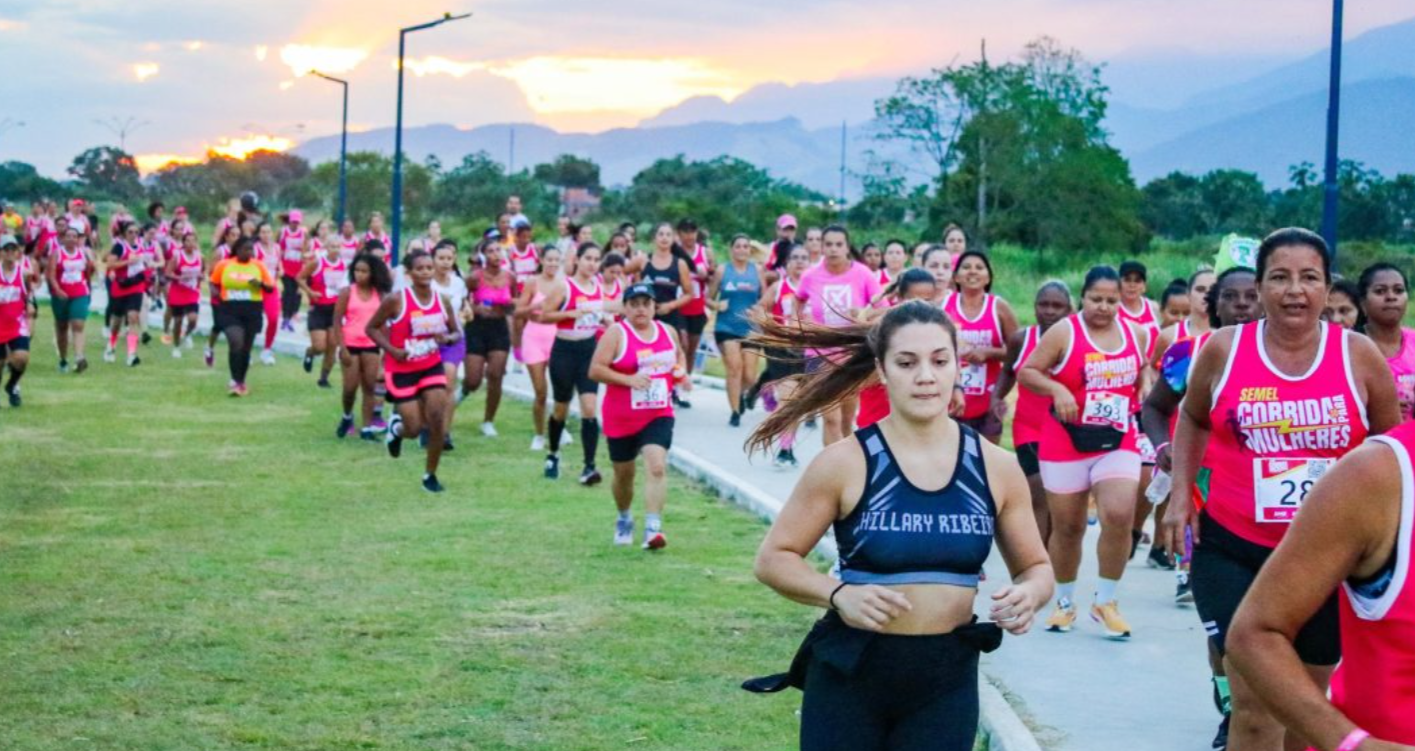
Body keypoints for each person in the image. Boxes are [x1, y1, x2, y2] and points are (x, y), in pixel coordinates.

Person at [743, 300, 1053, 751]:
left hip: (945, 682)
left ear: (957, 365)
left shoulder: (996, 467)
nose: (925, 376)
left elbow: (1036, 568)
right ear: (882, 371)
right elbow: (773, 559)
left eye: (939, 361)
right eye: (907, 363)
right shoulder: (844, 463)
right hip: (852, 675)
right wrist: (838, 594)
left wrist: (1030, 595)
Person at [1164, 228, 1400, 751]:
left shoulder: (1358, 356)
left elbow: (1395, 452)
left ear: (1328, 288)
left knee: (1304, 712)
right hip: (1233, 545)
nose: (1295, 291)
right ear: (1261, 286)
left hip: (1327, 559)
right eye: (1280, 278)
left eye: (1309, 278)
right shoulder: (1224, 350)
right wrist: (1181, 495)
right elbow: (1193, 418)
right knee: (1253, 708)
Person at [1227, 419, 1415, 751]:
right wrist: (1352, 744)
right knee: (1255, 718)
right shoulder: (1378, 473)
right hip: (1234, 534)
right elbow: (1254, 632)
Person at [1140, 265, 1259, 751]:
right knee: (1224, 616)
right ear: (1214, 306)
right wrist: (1163, 447)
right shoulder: (1191, 354)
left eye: (1251, 296)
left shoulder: (1293, 358)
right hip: (1207, 497)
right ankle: (1231, 706)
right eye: (1230, 297)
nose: (1243, 305)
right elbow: (1153, 407)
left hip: (1277, 511)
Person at [1019, 265, 1150, 639]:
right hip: (1066, 440)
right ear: (1083, 298)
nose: (1104, 307)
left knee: (1119, 514)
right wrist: (1057, 390)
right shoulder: (1065, 332)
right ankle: (1064, 603)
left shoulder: (1137, 333)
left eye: (1112, 300)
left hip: (1117, 439)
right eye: (1096, 299)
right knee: (1069, 527)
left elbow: (1143, 366)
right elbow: (1028, 371)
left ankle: (1106, 601)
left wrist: (1145, 381)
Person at [589, 283, 690, 549]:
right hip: (621, 417)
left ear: (654, 307)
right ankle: (624, 517)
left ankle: (653, 529)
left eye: (646, 304)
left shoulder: (667, 331)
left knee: (656, 466)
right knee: (624, 475)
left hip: (658, 412)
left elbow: (678, 358)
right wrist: (628, 379)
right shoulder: (616, 334)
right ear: (625, 308)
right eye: (634, 304)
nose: (641, 310)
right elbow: (595, 370)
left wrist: (681, 374)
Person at [365, 249, 460, 493]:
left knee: (437, 419)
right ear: (409, 273)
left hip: (431, 365)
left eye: (429, 268)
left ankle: (430, 475)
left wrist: (447, 338)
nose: (426, 272)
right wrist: (392, 350)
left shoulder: (442, 300)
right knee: (414, 428)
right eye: (420, 269)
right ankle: (396, 430)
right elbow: (371, 328)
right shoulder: (396, 300)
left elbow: (457, 332)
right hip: (402, 369)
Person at [997, 281, 1073, 545]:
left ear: (1069, 309)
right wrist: (997, 398)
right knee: (1037, 489)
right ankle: (1036, 554)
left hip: (1065, 428)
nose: (1049, 311)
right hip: (1028, 427)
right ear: (1034, 307)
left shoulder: (1075, 340)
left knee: (1058, 497)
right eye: (1044, 304)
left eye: (1057, 306)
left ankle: (1051, 552)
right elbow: (1008, 370)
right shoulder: (1021, 339)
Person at [793, 225, 882, 446]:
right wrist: (798, 322)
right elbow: (798, 298)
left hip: (852, 352)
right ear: (822, 247)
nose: (833, 249)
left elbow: (883, 308)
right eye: (829, 244)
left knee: (846, 420)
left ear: (847, 247)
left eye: (839, 244)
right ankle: (833, 465)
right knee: (831, 419)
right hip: (819, 351)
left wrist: (863, 315)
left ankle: (846, 458)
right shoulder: (811, 275)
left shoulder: (862, 274)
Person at [540, 242, 609, 484]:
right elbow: (544, 315)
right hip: (564, 350)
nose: (592, 264)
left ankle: (589, 467)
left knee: (590, 408)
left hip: (588, 350)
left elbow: (600, 313)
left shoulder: (598, 286)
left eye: (596, 259)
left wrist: (607, 321)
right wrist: (568, 314)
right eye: (588, 258)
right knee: (561, 407)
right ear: (577, 260)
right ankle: (553, 454)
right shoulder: (565, 286)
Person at [944, 250, 1018, 444]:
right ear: (956, 277)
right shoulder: (943, 306)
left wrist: (989, 352)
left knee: (986, 458)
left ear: (988, 277)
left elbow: (1019, 351)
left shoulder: (999, 308)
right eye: (966, 267)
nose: (973, 271)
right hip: (949, 400)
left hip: (989, 400)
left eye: (979, 267)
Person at [855, 268, 942, 430]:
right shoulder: (879, 325)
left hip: (917, 418)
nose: (920, 308)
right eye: (912, 300)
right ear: (899, 297)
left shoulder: (938, 330)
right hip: (876, 416)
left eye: (927, 301)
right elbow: (863, 373)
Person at [756, 244, 810, 467]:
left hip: (807, 350)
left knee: (798, 400)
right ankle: (785, 449)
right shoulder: (779, 287)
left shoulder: (815, 287)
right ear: (787, 264)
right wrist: (772, 327)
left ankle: (767, 389)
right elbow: (760, 310)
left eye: (804, 258)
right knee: (789, 398)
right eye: (795, 258)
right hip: (781, 348)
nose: (799, 262)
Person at [333, 253, 392, 440]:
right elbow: (337, 321)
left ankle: (366, 428)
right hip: (350, 344)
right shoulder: (347, 292)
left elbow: (384, 324)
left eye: (364, 271)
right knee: (350, 387)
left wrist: (387, 348)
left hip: (371, 344)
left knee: (369, 386)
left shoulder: (379, 295)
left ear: (372, 273)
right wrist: (342, 347)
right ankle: (347, 416)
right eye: (357, 270)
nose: (359, 274)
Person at [708, 234, 765, 426]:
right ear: (731, 249)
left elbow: (765, 298)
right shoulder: (722, 270)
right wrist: (717, 306)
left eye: (745, 246)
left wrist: (760, 312)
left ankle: (740, 394)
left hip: (751, 327)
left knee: (750, 375)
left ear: (750, 250)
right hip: (727, 326)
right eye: (738, 246)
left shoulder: (757, 270)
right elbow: (707, 298)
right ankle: (734, 412)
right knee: (734, 368)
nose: (742, 250)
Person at [209, 237, 277, 396]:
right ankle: (235, 380)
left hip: (252, 309)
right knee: (235, 342)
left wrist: (259, 284)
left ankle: (241, 381)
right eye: (246, 249)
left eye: (251, 249)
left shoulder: (258, 266)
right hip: (229, 309)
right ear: (238, 249)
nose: (250, 252)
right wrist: (216, 293)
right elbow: (213, 282)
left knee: (246, 348)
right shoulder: (224, 264)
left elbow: (270, 287)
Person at [462, 241, 517, 438]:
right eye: (490, 251)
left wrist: (510, 307)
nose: (495, 254)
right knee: (473, 380)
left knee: (496, 375)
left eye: (498, 250)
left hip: (499, 328)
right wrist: (475, 308)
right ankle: (461, 392)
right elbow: (461, 300)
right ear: (483, 255)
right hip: (476, 328)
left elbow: (514, 302)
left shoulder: (510, 277)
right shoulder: (475, 277)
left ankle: (488, 421)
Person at [637, 223, 695, 405]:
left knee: (676, 350)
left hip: (670, 313)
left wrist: (670, 305)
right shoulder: (644, 260)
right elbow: (625, 275)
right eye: (661, 234)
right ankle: (644, 385)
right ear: (654, 238)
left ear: (673, 239)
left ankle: (676, 388)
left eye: (668, 235)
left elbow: (689, 293)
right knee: (645, 351)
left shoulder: (680, 264)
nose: (664, 238)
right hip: (646, 315)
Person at [516, 246, 564, 451]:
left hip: (556, 337)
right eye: (549, 259)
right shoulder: (532, 282)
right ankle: (539, 434)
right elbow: (518, 311)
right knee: (540, 392)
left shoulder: (564, 285)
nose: (553, 263)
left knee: (561, 389)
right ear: (542, 260)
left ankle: (559, 427)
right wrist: (533, 308)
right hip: (534, 337)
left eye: (556, 260)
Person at [1356, 263, 1415, 420]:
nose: (1391, 297)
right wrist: (1382, 408)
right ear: (1362, 303)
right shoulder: (1349, 346)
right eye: (1380, 291)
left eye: (1398, 290)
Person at [297, 230, 348, 388]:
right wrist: (310, 292)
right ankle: (310, 352)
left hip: (335, 310)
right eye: (332, 246)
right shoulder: (317, 263)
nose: (335, 249)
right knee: (320, 347)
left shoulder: (344, 265)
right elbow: (299, 278)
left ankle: (323, 379)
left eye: (338, 246)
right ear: (326, 247)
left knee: (332, 346)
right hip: (318, 309)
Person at [46, 227, 94, 373]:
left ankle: (79, 357)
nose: (72, 239)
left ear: (78, 239)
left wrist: (89, 286)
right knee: (62, 326)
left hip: (80, 292)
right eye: (69, 236)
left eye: (75, 236)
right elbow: (51, 275)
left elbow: (89, 272)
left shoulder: (84, 253)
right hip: (61, 295)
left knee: (78, 324)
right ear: (63, 238)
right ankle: (63, 359)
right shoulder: (57, 254)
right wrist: (57, 290)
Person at [675, 219, 714, 385]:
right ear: (679, 233)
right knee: (681, 345)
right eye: (685, 231)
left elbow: (714, 278)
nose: (689, 235)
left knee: (691, 349)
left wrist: (707, 275)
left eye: (692, 231)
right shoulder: (674, 251)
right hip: (678, 306)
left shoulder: (705, 252)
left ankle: (685, 383)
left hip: (697, 308)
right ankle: (673, 382)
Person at [1152, 269, 1216, 367]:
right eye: (1200, 289)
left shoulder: (1228, 336)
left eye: (1213, 290)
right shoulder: (1168, 336)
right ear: (1188, 294)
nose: (1206, 295)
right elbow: (1153, 368)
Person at [104, 221, 147, 367]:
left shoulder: (141, 245)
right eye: (130, 232)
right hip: (121, 286)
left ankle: (131, 354)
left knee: (133, 317)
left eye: (136, 232)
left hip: (136, 285)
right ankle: (111, 345)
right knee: (117, 321)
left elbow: (144, 263)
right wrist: (128, 261)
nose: (134, 235)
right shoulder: (119, 247)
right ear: (124, 233)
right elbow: (110, 264)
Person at [204, 224, 242, 368]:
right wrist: (214, 290)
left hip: (235, 294)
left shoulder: (241, 253)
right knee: (219, 325)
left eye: (238, 235)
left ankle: (241, 353)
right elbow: (210, 273)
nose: (236, 238)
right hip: (219, 294)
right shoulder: (220, 252)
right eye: (233, 235)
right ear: (226, 237)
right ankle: (209, 347)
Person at [0, 238, 32, 407]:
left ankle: (12, 385)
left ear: (18, 252)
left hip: (16, 323)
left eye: (13, 249)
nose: (10, 253)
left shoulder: (24, 273)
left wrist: (31, 304)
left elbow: (29, 293)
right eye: (6, 249)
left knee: (22, 357)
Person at [163, 231, 204, 359]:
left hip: (192, 291)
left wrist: (201, 276)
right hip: (178, 291)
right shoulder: (177, 256)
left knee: (193, 319)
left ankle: (187, 334)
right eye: (188, 241)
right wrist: (179, 277)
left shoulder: (200, 256)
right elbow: (167, 272)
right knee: (178, 321)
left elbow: (204, 270)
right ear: (183, 242)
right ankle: (176, 346)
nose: (191, 243)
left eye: (193, 241)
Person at [252, 222, 283, 364]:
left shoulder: (277, 248)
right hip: (256, 288)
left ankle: (267, 350)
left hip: (271, 288)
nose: (266, 235)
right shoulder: (255, 249)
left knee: (274, 318)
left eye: (268, 232)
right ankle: (247, 351)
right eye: (263, 232)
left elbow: (279, 265)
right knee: (253, 322)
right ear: (258, 234)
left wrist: (280, 271)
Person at [277, 210, 309, 332]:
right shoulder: (283, 231)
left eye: (297, 222)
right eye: (293, 222)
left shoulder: (303, 233)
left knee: (295, 293)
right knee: (288, 291)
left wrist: (304, 264)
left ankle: (289, 318)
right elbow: (277, 247)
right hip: (285, 265)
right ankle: (285, 317)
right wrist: (278, 263)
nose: (295, 224)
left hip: (298, 267)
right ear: (289, 221)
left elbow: (305, 249)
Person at [1117, 260, 1161, 344]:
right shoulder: (1114, 310)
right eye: (1127, 280)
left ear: (1144, 286)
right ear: (1118, 283)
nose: (1132, 285)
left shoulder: (1154, 307)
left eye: (1137, 281)